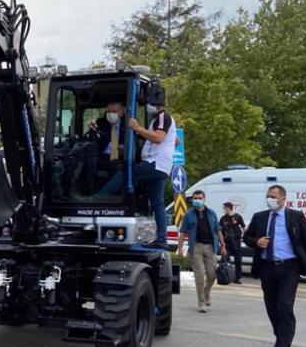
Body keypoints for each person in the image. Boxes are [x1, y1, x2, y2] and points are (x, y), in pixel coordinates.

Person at [243, 185, 306, 347]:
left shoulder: (295, 216)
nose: (269, 199)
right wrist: (257, 242)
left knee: (284, 306)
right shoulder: (260, 217)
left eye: (273, 196)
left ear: (283, 199)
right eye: (268, 196)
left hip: (289, 268)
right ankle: (280, 337)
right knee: (271, 306)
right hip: (267, 267)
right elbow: (246, 237)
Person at [97, 96, 176, 248]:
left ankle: (98, 198)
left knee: (126, 172)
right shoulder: (159, 120)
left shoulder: (163, 116)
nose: (147, 106)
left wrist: (138, 128)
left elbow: (159, 138)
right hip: (161, 167)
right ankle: (162, 239)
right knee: (157, 202)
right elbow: (173, 140)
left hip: (155, 163)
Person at [177, 190, 227, 313]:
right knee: (199, 276)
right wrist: (180, 248)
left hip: (210, 246)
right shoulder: (188, 214)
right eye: (195, 198)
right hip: (196, 247)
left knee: (212, 274)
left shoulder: (211, 213)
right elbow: (183, 232)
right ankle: (201, 302)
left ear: (204, 199)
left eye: (199, 198)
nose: (197, 200)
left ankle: (206, 292)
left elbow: (218, 230)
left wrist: (223, 245)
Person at [219, 202, 246, 284]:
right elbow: (219, 229)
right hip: (227, 242)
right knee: (225, 259)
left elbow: (243, 227)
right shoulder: (223, 218)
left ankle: (237, 278)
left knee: (238, 260)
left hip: (236, 241)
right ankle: (225, 276)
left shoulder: (237, 217)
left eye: (225, 208)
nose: (224, 209)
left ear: (229, 208)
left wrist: (246, 236)